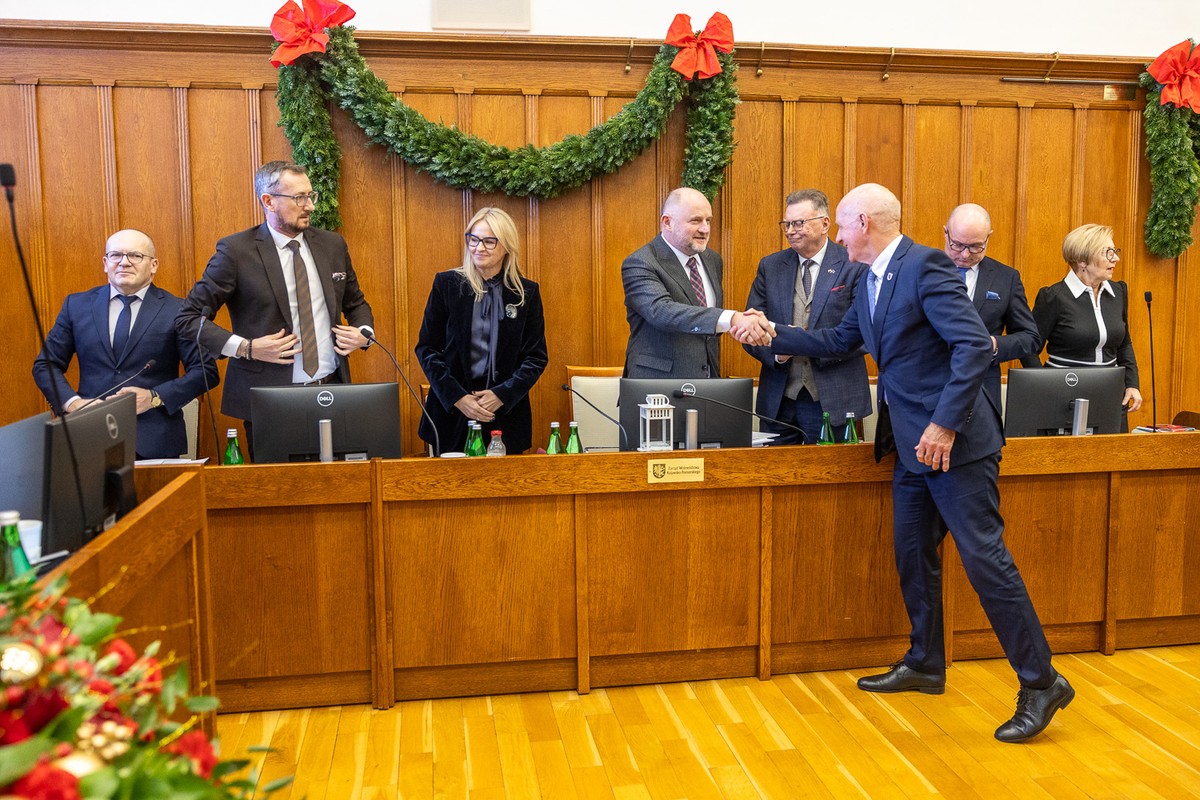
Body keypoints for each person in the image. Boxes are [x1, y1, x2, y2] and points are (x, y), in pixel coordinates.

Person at [738, 183, 1073, 744]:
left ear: (863, 222)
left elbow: (972, 345)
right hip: (911, 444)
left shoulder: (927, 267)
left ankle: (1041, 683)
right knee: (913, 554)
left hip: (956, 443)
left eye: (841, 226)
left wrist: (944, 423)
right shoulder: (869, 277)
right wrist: (772, 331)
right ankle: (925, 662)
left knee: (985, 560)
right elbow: (841, 338)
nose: (837, 236)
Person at [175, 161, 375, 452]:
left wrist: (363, 331)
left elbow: (355, 302)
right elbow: (188, 318)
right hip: (270, 399)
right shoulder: (236, 251)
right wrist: (246, 348)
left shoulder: (332, 245)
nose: (309, 206)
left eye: (310, 196)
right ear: (268, 201)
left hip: (331, 391)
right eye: (298, 198)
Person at [32, 229, 218, 459]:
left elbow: (206, 372)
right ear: (105, 263)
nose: (124, 262)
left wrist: (153, 397)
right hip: (87, 438)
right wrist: (74, 404)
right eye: (116, 255)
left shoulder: (179, 310)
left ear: (153, 265)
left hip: (155, 443)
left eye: (135, 256)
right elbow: (45, 365)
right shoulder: (76, 306)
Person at [415, 207, 548, 455]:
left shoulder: (526, 293)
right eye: (473, 239)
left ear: (507, 246)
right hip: (452, 415)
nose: (479, 247)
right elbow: (427, 349)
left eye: (489, 241)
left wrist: (502, 395)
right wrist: (458, 398)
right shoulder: (446, 285)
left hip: (505, 416)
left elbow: (536, 357)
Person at [744, 189, 871, 444]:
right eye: (787, 224)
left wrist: (794, 340)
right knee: (774, 480)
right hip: (779, 402)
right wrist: (778, 354)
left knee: (832, 482)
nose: (791, 230)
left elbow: (864, 336)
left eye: (799, 223)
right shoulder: (770, 266)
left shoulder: (855, 264)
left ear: (825, 224)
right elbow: (751, 330)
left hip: (834, 400)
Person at [622, 187, 773, 379]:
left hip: (707, 385)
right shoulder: (641, 262)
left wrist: (744, 328)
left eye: (708, 220)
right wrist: (732, 318)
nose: (705, 229)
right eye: (695, 221)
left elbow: (707, 323)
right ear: (667, 222)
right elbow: (661, 312)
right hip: (657, 386)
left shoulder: (712, 260)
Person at [1021, 224, 1142, 423]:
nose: (1116, 258)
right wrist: (1044, 386)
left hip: (1110, 395)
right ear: (1082, 261)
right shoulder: (1054, 297)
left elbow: (1124, 344)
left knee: (1113, 454)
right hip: (1062, 397)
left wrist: (1132, 384)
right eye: (1108, 253)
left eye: (1115, 251)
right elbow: (1028, 347)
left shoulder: (1118, 292)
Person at [942, 203, 1041, 411]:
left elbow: (1029, 337)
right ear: (945, 233)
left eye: (976, 246)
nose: (966, 255)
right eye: (957, 245)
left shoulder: (1006, 278)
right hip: (930, 390)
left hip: (983, 394)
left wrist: (994, 344)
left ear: (989, 238)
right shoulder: (923, 272)